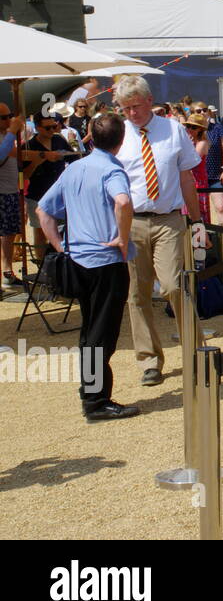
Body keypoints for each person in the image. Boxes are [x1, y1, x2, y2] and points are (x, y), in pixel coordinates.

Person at [36, 113, 140, 421]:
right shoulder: (112, 170)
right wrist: (122, 236)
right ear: (121, 140)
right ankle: (95, 400)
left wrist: (60, 246)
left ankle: (90, 390)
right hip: (105, 261)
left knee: (90, 330)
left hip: (78, 258)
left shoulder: (74, 168)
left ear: (91, 138)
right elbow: (122, 202)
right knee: (101, 333)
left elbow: (44, 211)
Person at [113, 75, 208, 387]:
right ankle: (150, 360)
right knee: (137, 294)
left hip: (168, 219)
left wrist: (197, 222)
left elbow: (186, 178)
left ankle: (195, 349)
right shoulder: (118, 134)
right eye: (125, 108)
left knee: (172, 285)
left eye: (135, 106)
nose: (131, 113)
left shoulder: (173, 129)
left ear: (149, 100)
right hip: (131, 221)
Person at [21, 112, 74, 258]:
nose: (52, 130)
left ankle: (62, 263)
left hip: (59, 195)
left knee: (62, 230)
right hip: (37, 195)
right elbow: (24, 175)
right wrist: (39, 159)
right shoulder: (29, 146)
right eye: (48, 128)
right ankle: (42, 267)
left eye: (54, 126)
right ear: (38, 127)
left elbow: (74, 158)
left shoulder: (59, 140)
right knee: (39, 232)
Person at [0, 103, 22, 285]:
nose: (8, 120)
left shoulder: (5, 136)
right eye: (4, 117)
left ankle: (7, 271)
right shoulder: (7, 135)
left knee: (10, 232)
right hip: (1, 193)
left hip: (10, 190)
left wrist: (43, 155)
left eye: (10, 116)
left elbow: (15, 153)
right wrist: (13, 131)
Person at [183, 113, 212, 224]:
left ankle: (201, 240)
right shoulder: (189, 141)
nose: (190, 129)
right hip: (187, 181)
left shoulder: (202, 143)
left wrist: (187, 144)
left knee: (199, 215)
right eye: (188, 126)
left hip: (198, 182)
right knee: (187, 215)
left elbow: (192, 161)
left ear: (200, 129)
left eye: (193, 127)